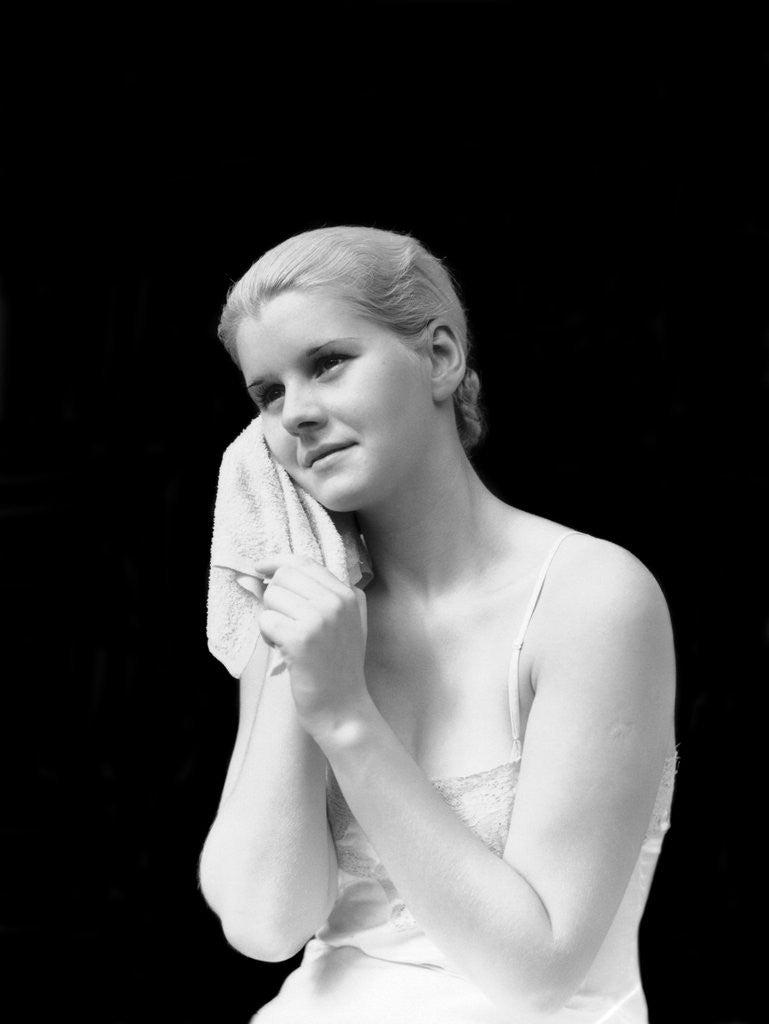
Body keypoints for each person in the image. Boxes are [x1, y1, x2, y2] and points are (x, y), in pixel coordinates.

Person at [198, 225, 678, 1023]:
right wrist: (297, 668)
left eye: (326, 364)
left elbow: (536, 974)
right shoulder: (307, 612)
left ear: (442, 357)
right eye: (268, 395)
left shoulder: (589, 598)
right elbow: (264, 925)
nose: (297, 416)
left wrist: (346, 716)